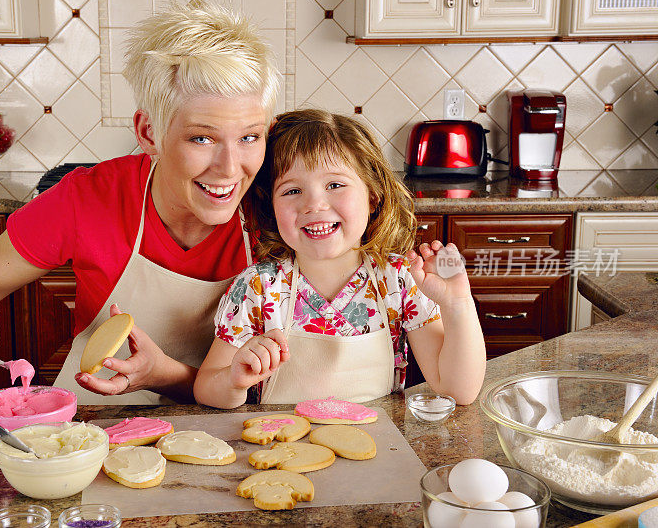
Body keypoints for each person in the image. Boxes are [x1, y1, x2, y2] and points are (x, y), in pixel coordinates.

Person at [0, 1, 280, 404]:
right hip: (96, 429)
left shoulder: (281, 210)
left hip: (230, 439)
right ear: (149, 133)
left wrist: (163, 375)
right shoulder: (90, 197)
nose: (231, 168)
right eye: (202, 138)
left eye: (249, 137)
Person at [194, 109, 486, 408]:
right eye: (292, 190)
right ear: (271, 206)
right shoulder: (257, 287)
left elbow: (457, 390)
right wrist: (233, 379)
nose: (314, 204)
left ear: (373, 195)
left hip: (377, 449)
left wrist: (457, 303)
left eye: (334, 185)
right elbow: (205, 387)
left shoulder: (399, 279)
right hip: (281, 450)